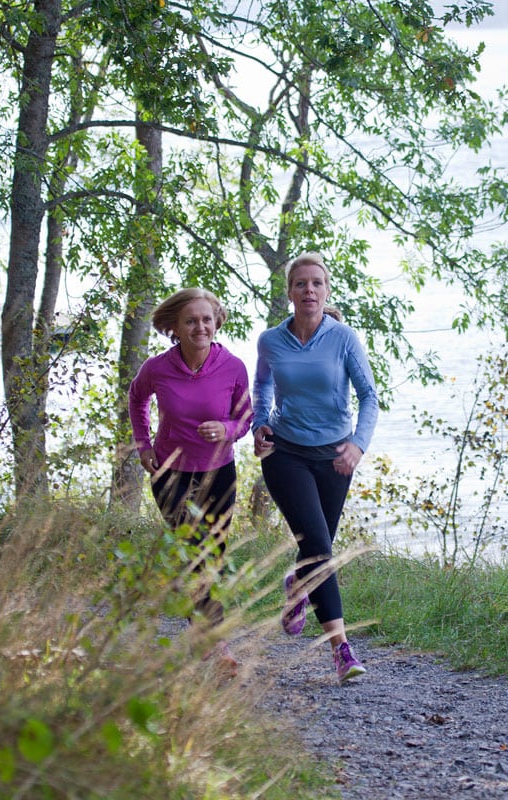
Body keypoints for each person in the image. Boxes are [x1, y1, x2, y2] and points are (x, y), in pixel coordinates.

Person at [252, 252, 379, 683]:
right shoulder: (270, 341)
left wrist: (357, 446)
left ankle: (297, 584)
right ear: (289, 292)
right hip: (285, 453)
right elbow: (263, 385)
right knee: (322, 550)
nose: (309, 290)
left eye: (317, 284)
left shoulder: (343, 338)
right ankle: (341, 650)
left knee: (317, 547)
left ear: (327, 291)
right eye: (301, 284)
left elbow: (370, 397)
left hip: (334, 459)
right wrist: (259, 423)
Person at [128, 288, 252, 675]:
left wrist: (227, 428)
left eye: (206, 319)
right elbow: (137, 400)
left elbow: (246, 418)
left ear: (217, 322)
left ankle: (202, 633)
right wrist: (142, 443)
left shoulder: (233, 367)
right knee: (195, 552)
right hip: (170, 473)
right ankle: (217, 645)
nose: (201, 326)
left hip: (219, 474)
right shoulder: (156, 368)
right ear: (175, 328)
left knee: (211, 555)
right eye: (191, 320)